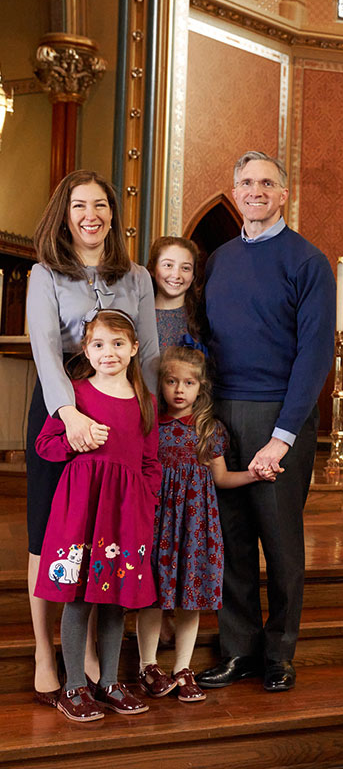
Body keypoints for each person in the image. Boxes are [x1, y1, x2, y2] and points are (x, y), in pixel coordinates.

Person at [196, 151, 336, 693]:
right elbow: (208, 340)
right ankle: (238, 651)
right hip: (222, 414)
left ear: (283, 194)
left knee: (279, 543)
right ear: (235, 192)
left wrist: (282, 439)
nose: (255, 191)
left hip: (281, 415)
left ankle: (279, 653)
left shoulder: (308, 262)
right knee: (230, 541)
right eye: (246, 182)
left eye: (266, 183)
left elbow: (314, 356)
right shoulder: (221, 260)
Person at [25, 170, 158, 708]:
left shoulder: (139, 277)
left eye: (100, 205)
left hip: (123, 407)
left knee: (103, 528)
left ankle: (88, 662)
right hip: (63, 406)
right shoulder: (44, 274)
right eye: (80, 206)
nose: (91, 215)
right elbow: (46, 351)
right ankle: (42, 649)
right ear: (65, 213)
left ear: (112, 213)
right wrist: (70, 414)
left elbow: (147, 353)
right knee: (51, 529)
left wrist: (150, 419)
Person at [33, 310, 160, 722]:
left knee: (115, 602)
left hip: (125, 518)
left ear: (134, 348)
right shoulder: (75, 396)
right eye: (99, 344)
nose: (109, 352)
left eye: (118, 344)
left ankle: (108, 681)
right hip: (81, 511)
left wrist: (145, 504)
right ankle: (74, 686)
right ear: (87, 350)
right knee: (77, 598)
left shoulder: (145, 401)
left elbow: (150, 463)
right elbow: (45, 445)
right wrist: (76, 438)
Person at [135, 346, 271, 704]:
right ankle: (147, 665)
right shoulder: (150, 424)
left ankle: (183, 668)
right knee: (151, 596)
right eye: (172, 381)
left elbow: (222, 479)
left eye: (189, 383)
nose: (180, 389)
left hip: (195, 526)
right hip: (158, 522)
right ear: (161, 384)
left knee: (190, 599)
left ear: (201, 387)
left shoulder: (209, 429)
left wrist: (254, 475)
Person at [146, 236, 205, 352]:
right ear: (152, 269)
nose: (176, 275)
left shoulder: (202, 319)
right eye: (168, 265)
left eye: (185, 268)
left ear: (193, 275)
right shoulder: (138, 314)